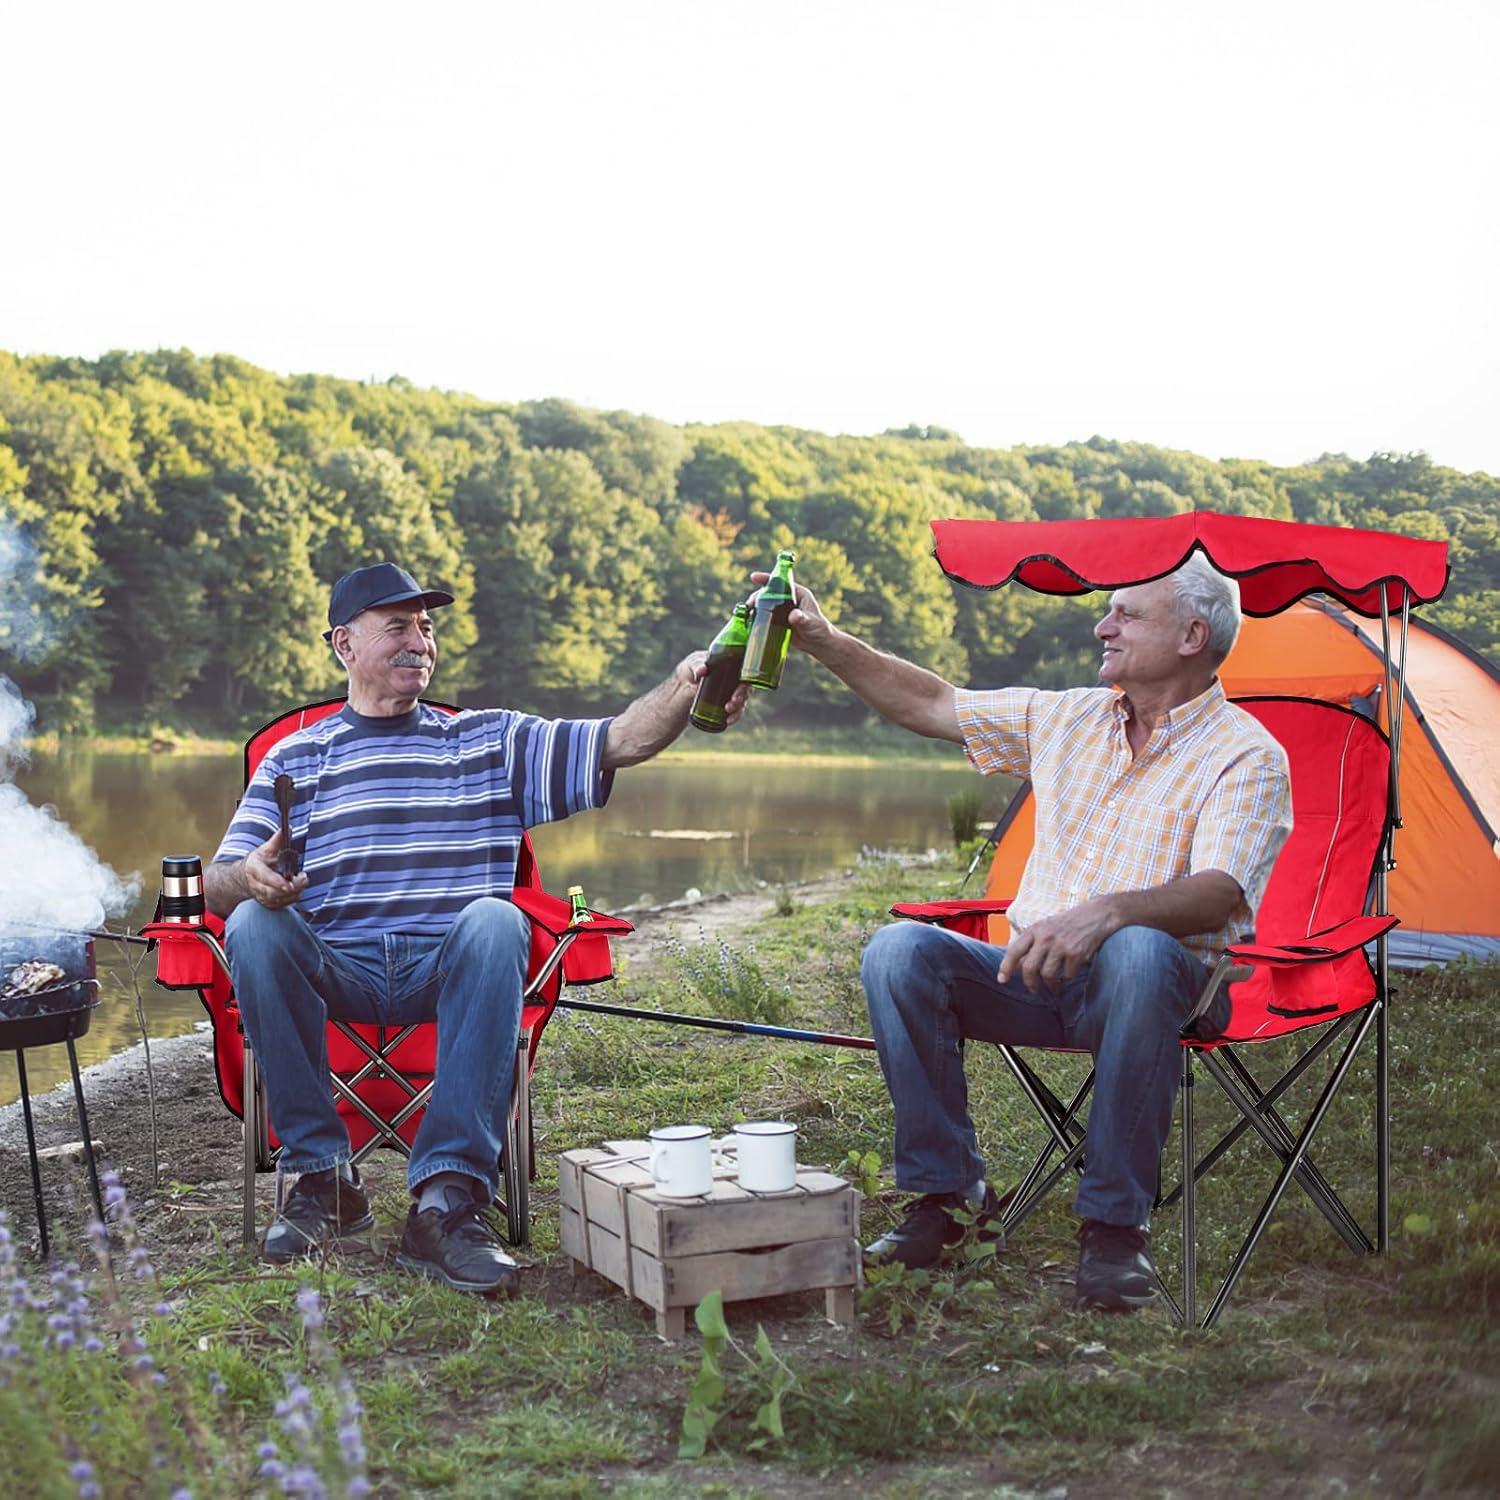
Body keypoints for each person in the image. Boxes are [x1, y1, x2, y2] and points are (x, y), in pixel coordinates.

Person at [763, 552, 1292, 1311]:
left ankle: (1115, 1230)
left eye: (1126, 614)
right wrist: (825, 640)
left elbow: (1218, 893)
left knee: (1139, 950)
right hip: (1034, 978)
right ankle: (947, 1199)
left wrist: (1105, 914)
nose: (1101, 624)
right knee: (900, 951)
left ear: (1191, 635)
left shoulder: (1246, 753)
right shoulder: (1068, 716)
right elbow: (932, 704)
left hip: (1160, 990)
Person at [206, 562, 747, 1294]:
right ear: (344, 646)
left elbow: (621, 740)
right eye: (397, 626)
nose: (419, 641)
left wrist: (687, 685)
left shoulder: (490, 742)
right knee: (253, 929)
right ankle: (325, 1176)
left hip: (450, 966)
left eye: (426, 627)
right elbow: (218, 878)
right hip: (337, 963)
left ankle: (446, 1201)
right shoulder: (295, 758)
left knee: (497, 919)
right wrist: (251, 881)